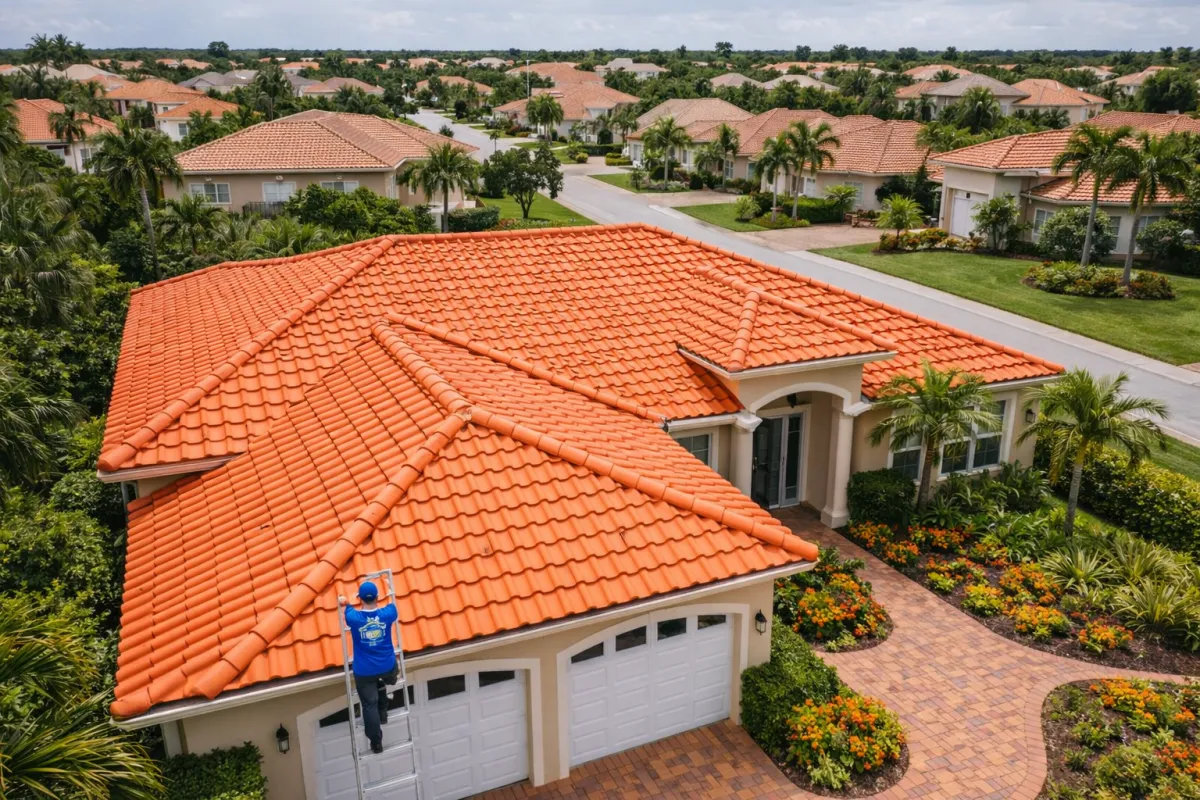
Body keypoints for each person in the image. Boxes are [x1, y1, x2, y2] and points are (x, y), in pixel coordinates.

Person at [340, 581, 399, 754]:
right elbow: (392, 603)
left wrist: (344, 600)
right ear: (376, 597)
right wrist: (389, 590)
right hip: (387, 668)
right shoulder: (388, 614)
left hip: (365, 671)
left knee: (368, 706)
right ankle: (384, 690)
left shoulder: (354, 618)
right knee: (390, 675)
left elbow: (345, 605)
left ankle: (376, 742)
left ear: (360, 599)